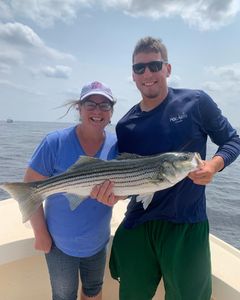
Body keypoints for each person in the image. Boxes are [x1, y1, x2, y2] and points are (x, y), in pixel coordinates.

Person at [91, 37, 240, 300]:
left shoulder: (195, 102)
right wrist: (113, 194)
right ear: (133, 76)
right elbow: (129, 179)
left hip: (186, 223)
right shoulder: (126, 125)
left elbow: (232, 140)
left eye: (154, 65)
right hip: (139, 223)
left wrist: (214, 166)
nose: (147, 73)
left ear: (167, 69)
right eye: (139, 68)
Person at [24, 81, 118, 300]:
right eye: (90, 104)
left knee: (93, 290)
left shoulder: (116, 145)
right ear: (79, 108)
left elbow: (123, 186)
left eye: (105, 105)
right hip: (59, 244)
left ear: (111, 112)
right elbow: (30, 190)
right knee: (64, 295)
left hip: (97, 242)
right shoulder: (54, 142)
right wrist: (41, 234)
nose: (97, 110)